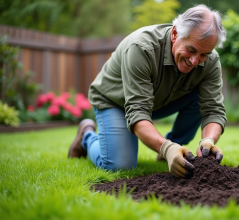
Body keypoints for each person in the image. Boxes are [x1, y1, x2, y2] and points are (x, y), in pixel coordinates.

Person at [68, 4, 227, 178]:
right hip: (115, 101)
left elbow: (213, 109)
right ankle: (87, 136)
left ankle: (175, 149)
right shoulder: (142, 48)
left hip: (158, 101)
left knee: (199, 96)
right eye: (191, 49)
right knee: (119, 165)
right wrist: (167, 148)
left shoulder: (211, 60)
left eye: (204, 54)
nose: (196, 60)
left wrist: (208, 140)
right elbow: (137, 112)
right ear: (175, 34)